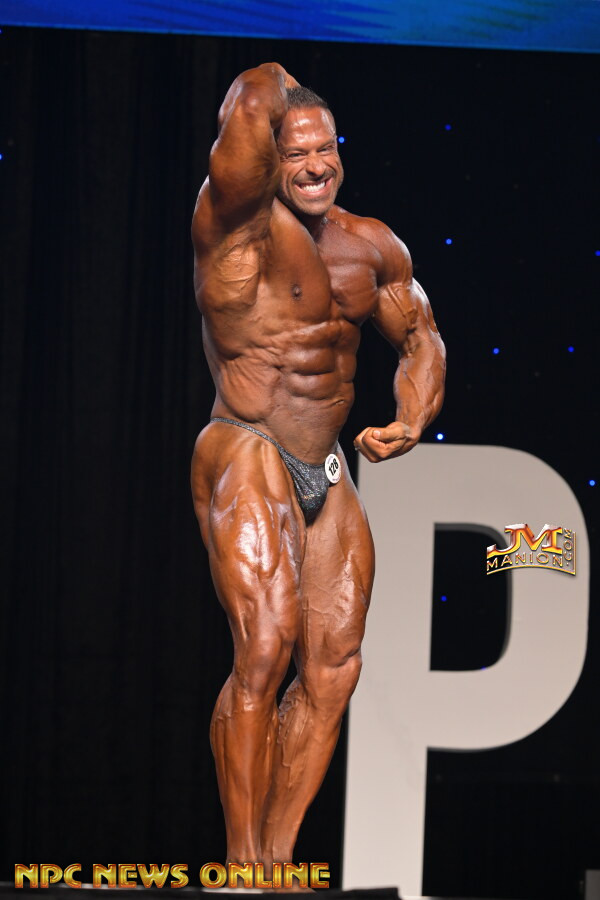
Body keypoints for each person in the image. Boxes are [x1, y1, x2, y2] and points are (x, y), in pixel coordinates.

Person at [190, 62, 446, 877]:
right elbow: (249, 101)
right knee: (265, 648)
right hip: (246, 442)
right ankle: (241, 866)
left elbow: (421, 337)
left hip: (325, 462)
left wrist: (413, 416)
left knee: (334, 669)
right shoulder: (232, 222)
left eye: (325, 149)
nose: (313, 165)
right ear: (268, 157)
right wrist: (277, 81)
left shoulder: (370, 244)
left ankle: (277, 859)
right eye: (295, 151)